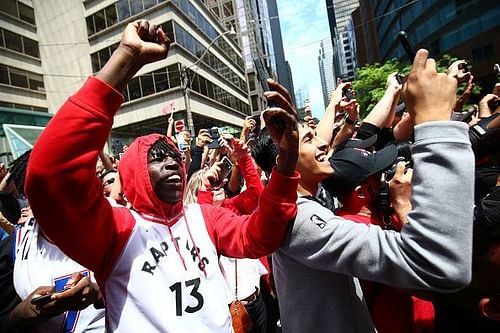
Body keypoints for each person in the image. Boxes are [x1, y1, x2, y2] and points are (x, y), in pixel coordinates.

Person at [25, 20, 300, 332]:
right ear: (131, 175)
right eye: (157, 158)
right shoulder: (115, 231)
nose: (171, 163)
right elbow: (51, 177)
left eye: (173, 156)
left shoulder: (204, 218)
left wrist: (287, 159)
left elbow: (259, 236)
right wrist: (126, 58)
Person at [252, 49, 474, 332]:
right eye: (308, 139)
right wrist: (437, 122)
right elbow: (439, 264)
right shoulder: (298, 220)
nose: (323, 144)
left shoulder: (306, 206)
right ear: (285, 155)